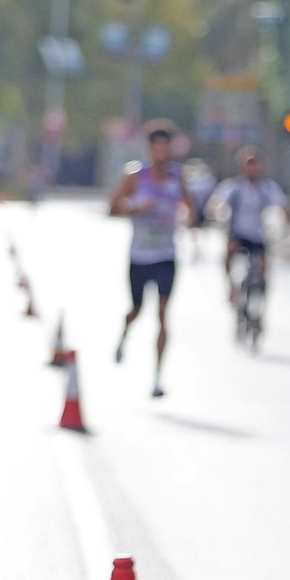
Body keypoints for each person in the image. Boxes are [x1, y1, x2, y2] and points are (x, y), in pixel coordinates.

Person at [108, 120, 198, 398]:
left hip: (166, 255)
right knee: (137, 310)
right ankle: (124, 334)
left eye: (166, 145)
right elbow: (112, 208)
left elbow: (191, 210)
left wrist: (190, 219)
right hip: (139, 255)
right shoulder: (135, 175)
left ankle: (158, 377)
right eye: (156, 145)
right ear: (150, 148)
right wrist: (135, 206)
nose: (161, 150)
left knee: (162, 313)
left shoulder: (178, 177)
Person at [209, 146, 290, 306]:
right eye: (248, 163)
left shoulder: (267, 188)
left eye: (255, 163)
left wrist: (287, 221)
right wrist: (215, 213)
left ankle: (261, 301)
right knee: (228, 252)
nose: (251, 168)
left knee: (263, 265)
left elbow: (284, 206)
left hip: (258, 236)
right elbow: (216, 203)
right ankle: (231, 287)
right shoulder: (233, 187)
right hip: (238, 233)